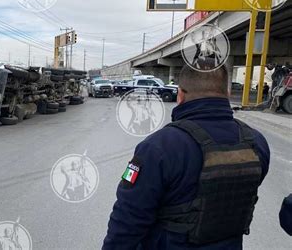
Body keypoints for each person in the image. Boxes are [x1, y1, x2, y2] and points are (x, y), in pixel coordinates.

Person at [103, 62, 270, 249]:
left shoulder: (158, 147)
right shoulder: (256, 142)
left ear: (180, 95)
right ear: (227, 93)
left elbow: (128, 220)